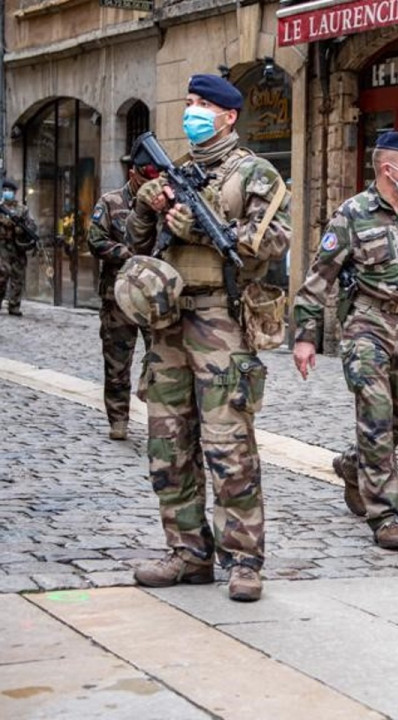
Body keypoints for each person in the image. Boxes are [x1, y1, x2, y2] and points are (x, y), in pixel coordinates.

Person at [125, 73, 292, 601]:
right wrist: (145, 205)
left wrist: (200, 226)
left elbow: (275, 240)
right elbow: (134, 244)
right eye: (189, 102)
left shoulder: (254, 173)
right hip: (167, 322)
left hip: (221, 321)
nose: (191, 111)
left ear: (228, 116)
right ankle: (187, 553)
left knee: (228, 445)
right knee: (167, 444)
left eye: (202, 105)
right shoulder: (175, 174)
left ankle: (244, 560)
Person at [292, 130, 398, 551]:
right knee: (377, 415)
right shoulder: (352, 214)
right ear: (388, 168)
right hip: (366, 326)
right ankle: (385, 514)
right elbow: (318, 280)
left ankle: (354, 466)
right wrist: (305, 337)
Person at [87, 143, 157, 440]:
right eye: (146, 177)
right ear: (133, 174)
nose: (151, 184)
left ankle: (162, 420)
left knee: (162, 358)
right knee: (117, 361)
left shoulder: (165, 201)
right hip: (119, 295)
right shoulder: (111, 201)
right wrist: (127, 254)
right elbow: (95, 240)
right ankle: (119, 420)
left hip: (155, 296)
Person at [0, 178, 38, 317]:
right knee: (2, 275)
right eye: (5, 190)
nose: (7, 193)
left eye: (9, 191)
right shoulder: (0, 207)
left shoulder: (22, 209)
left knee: (18, 277)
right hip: (3, 247)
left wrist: (21, 229)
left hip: (18, 247)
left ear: (14, 193)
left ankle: (14, 306)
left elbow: (32, 226)